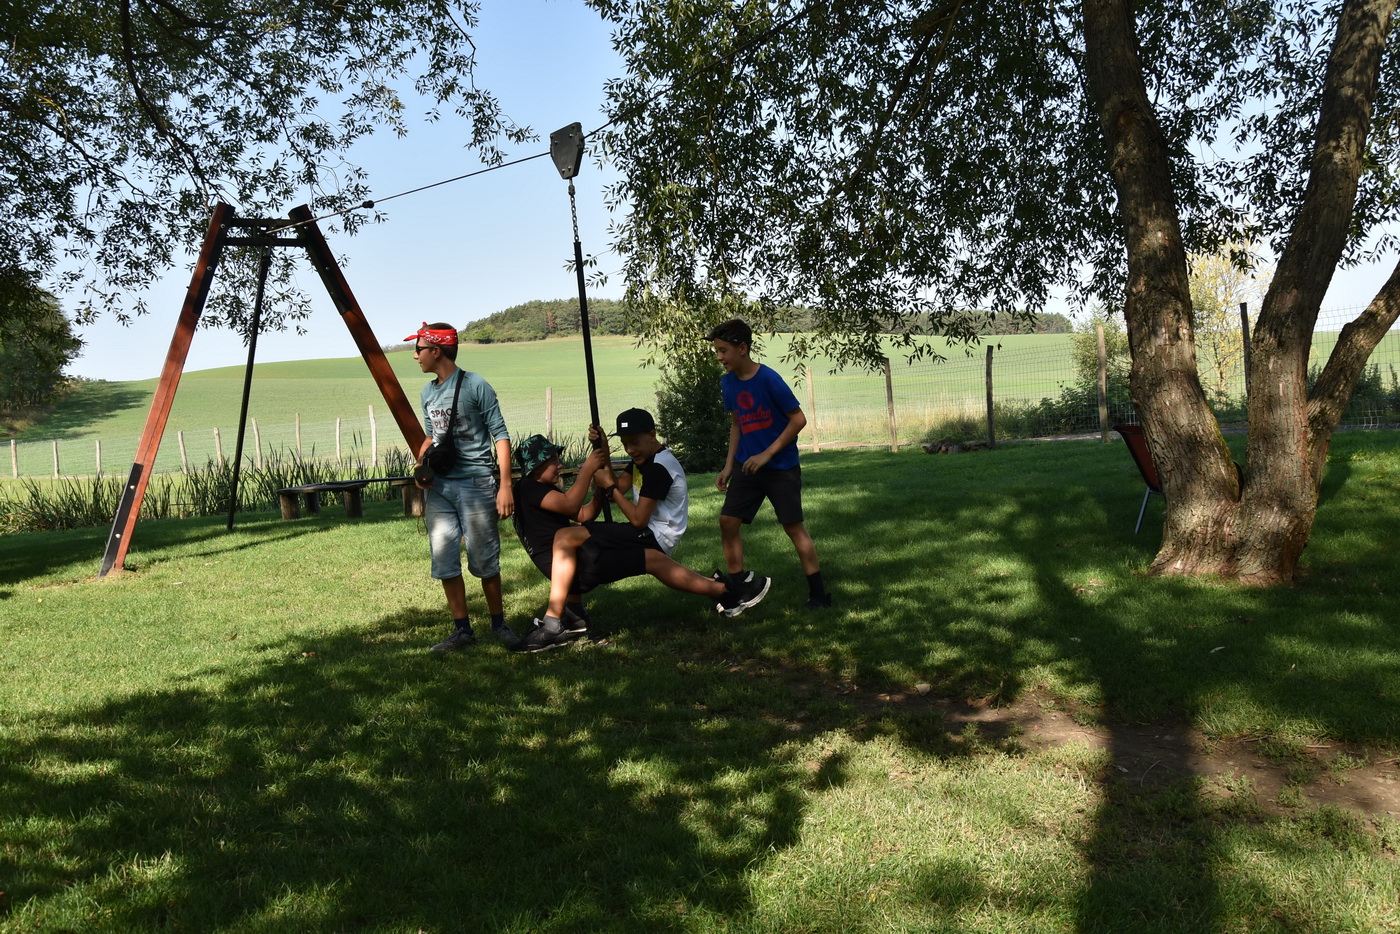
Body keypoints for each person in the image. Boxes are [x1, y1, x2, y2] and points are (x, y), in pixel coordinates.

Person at [510, 411, 771, 652]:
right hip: (646, 530)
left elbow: (634, 516)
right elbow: (614, 488)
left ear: (652, 435)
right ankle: (726, 591)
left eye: (634, 442)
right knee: (583, 539)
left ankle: (553, 621)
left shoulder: (658, 468)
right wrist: (602, 451)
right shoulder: (643, 461)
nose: (630, 449)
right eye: (625, 444)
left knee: (568, 536)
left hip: (653, 533)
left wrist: (605, 485)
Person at [405, 322, 518, 652]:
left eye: (419, 349)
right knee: (444, 559)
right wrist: (421, 463)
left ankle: (499, 625)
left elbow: (500, 435)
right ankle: (462, 630)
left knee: (484, 559)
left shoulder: (475, 385)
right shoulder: (427, 393)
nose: (415, 356)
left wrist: (505, 485)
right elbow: (431, 437)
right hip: (439, 488)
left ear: (436, 351)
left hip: (476, 484)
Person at [708, 318, 832, 608]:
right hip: (746, 466)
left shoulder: (769, 379)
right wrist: (728, 466)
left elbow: (798, 419)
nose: (719, 357)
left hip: (780, 467)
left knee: (793, 527)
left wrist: (767, 454)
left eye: (724, 351)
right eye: (717, 351)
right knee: (728, 521)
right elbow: (737, 424)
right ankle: (739, 587)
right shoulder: (728, 383)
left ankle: (818, 595)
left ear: (742, 348)